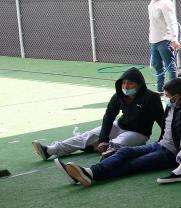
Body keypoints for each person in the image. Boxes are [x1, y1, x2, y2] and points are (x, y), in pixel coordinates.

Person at [54, 79, 181, 187]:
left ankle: (90, 174)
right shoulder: (172, 106)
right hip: (160, 145)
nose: (165, 98)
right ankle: (86, 173)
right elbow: (165, 128)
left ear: (176, 97)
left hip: (171, 153)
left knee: (132, 164)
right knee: (124, 152)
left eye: (167, 95)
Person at [33, 67, 163, 161]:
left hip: (138, 133)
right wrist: (103, 139)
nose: (126, 86)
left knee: (116, 146)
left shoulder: (151, 97)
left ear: (139, 84)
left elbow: (162, 120)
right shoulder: (118, 96)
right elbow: (108, 117)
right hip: (119, 125)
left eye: (130, 83)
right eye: (123, 83)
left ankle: (101, 155)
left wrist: (164, 142)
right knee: (88, 135)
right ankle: (50, 150)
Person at [147, 0, 180, 92]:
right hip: (154, 41)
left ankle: (174, 91)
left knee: (170, 67)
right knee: (157, 66)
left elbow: (172, 22)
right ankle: (160, 90)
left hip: (165, 40)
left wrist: (174, 39)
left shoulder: (166, 3)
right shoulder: (152, 2)